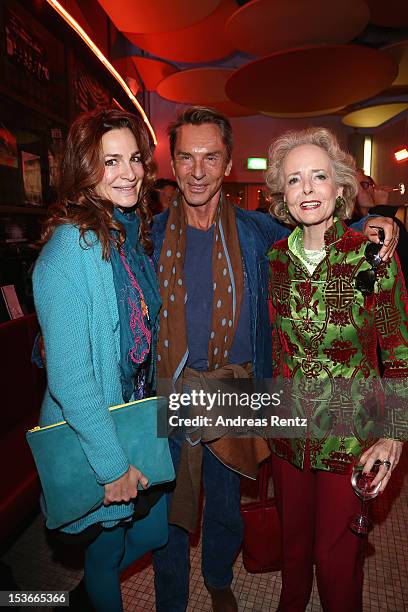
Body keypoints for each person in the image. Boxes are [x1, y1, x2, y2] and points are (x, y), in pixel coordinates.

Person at [150, 106, 399, 612]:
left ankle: (219, 579)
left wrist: (379, 222)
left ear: (228, 163)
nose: (198, 170)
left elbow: (394, 344)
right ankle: (171, 600)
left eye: (211, 157)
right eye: (186, 157)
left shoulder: (255, 231)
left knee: (227, 501)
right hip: (180, 389)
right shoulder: (148, 236)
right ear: (172, 165)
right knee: (165, 511)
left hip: (248, 392)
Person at [266, 127, 408, 611]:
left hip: (352, 435)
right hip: (287, 432)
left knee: (337, 560)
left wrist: (394, 434)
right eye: (294, 180)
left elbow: (399, 351)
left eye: (319, 176)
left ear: (340, 188)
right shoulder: (273, 262)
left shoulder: (372, 257)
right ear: (282, 195)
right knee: (292, 552)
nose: (307, 188)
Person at [32, 108, 166, 611]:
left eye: (133, 159)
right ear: (84, 170)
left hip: (133, 416)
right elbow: (71, 377)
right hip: (98, 433)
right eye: (110, 162)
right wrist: (111, 468)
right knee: (107, 553)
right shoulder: (73, 246)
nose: (128, 173)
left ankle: (86, 593)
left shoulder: (125, 234)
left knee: (152, 535)